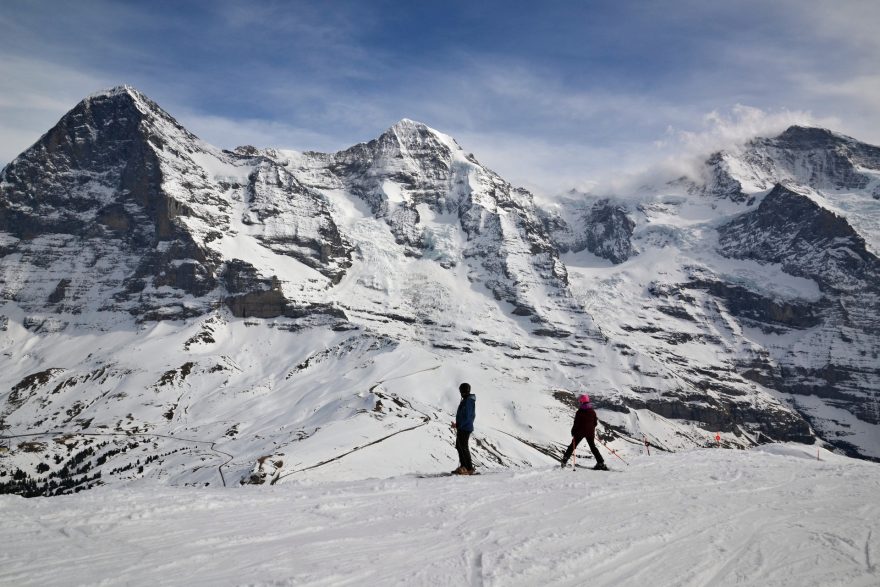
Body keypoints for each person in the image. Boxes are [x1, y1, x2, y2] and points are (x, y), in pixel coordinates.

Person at [560, 394, 607, 470]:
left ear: (582, 401)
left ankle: (564, 461)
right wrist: (590, 429)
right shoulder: (592, 411)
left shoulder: (579, 412)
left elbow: (576, 423)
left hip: (579, 433)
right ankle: (600, 462)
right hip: (590, 433)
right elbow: (595, 423)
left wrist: (573, 431)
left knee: (572, 446)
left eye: (580, 401)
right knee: (593, 447)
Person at [451, 382, 476, 475]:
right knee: (459, 446)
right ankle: (464, 466)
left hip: (465, 427)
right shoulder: (467, 400)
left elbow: (467, 416)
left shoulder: (468, 401)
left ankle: (468, 468)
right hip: (463, 426)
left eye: (462, 391)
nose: (461, 392)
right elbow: (465, 416)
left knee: (463, 447)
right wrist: (457, 424)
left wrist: (458, 425)